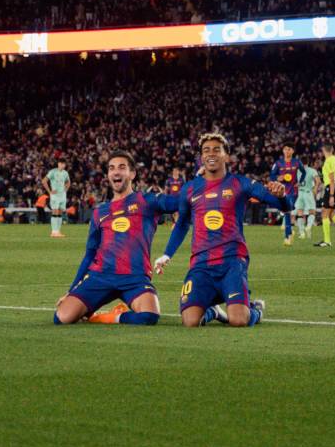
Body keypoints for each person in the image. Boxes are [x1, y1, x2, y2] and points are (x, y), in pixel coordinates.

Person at [154, 132, 293, 327]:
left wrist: (282, 195)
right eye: (206, 150)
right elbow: (183, 223)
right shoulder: (190, 189)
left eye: (216, 150)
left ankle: (256, 311)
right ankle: (213, 311)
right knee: (190, 321)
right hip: (201, 264)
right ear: (201, 157)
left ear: (226, 155)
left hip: (232, 261)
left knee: (239, 320)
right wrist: (167, 255)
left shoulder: (241, 183)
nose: (211, 154)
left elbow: (286, 207)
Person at [53, 151, 182, 326]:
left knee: (148, 316)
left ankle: (109, 317)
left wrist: (200, 185)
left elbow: (181, 202)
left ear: (132, 174)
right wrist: (71, 290)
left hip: (134, 277)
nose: (116, 172)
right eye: (112, 168)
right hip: (101, 276)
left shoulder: (147, 201)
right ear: (108, 175)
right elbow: (90, 254)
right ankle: (91, 306)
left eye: (122, 167)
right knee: (62, 318)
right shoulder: (100, 212)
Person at [271, 143, 306, 246]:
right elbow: (272, 176)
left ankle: (289, 233)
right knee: (287, 212)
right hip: (283, 192)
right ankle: (288, 236)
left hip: (294, 192)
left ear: (293, 151)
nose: (287, 151)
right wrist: (277, 178)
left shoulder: (297, 162)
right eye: (285, 149)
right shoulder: (278, 164)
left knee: (287, 212)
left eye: (289, 149)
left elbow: (303, 172)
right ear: (283, 151)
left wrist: (300, 181)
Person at [43, 160, 71, 238]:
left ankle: (58, 231)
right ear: (58, 164)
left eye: (64, 164)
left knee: (60, 212)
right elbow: (44, 181)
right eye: (61, 163)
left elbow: (68, 182)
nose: (63, 165)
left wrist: (65, 190)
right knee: (55, 211)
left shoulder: (65, 173)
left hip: (62, 195)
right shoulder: (53, 172)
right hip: (55, 195)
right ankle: (53, 232)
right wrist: (49, 191)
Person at [296, 161, 322, 241]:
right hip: (308, 193)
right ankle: (308, 227)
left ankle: (302, 233)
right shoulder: (312, 170)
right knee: (312, 212)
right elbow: (318, 181)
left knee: (300, 213)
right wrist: (315, 188)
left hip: (300, 193)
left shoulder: (297, 170)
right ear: (308, 162)